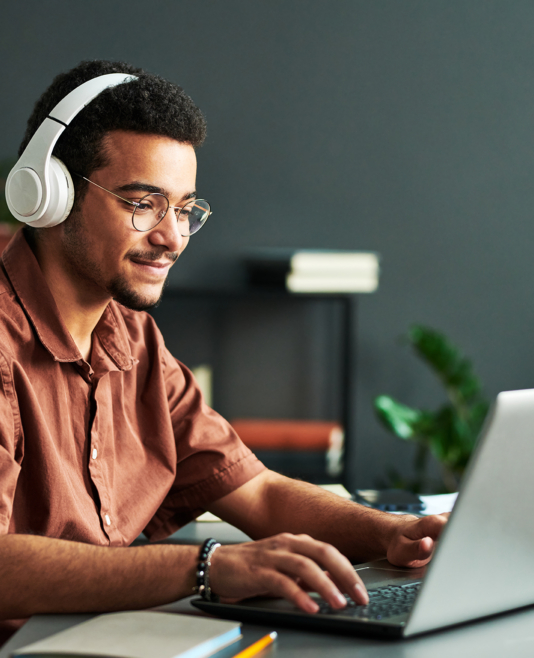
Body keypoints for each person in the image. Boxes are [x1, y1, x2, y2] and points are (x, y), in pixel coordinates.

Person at [0, 60, 447, 645]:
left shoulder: (132, 336)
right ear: (48, 195)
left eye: (184, 209)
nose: (172, 236)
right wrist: (209, 567)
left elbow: (255, 491)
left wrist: (394, 532)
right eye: (143, 203)